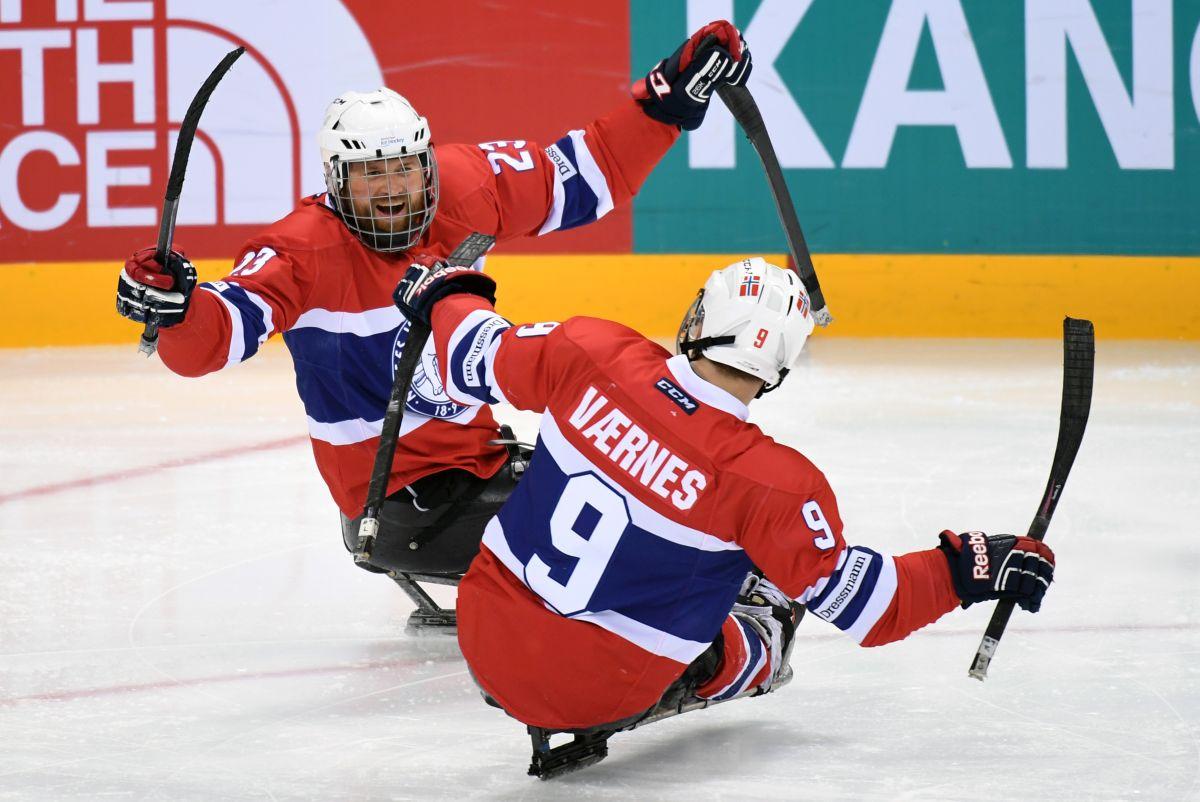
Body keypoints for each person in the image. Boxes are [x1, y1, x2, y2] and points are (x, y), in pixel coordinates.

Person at [112, 22, 754, 614]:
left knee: (648, 487)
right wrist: (178, 309)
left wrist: (664, 98)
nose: (393, 190)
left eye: (404, 171)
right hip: (398, 508)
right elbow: (214, 338)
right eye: (370, 177)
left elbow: (587, 173)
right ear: (336, 182)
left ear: (426, 165)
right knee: (646, 539)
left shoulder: (462, 187)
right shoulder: (302, 249)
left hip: (481, 464)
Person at [392, 255, 1057, 762]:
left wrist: (450, 294)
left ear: (697, 319)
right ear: (778, 369)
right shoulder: (773, 484)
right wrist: (976, 564)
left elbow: (473, 354)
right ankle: (731, 660)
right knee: (772, 607)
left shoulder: (589, 351)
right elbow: (873, 608)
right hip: (600, 691)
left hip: (482, 636)